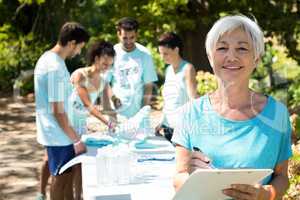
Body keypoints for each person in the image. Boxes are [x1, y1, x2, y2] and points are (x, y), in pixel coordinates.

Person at [172, 15, 292, 200]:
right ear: (211, 58)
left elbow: (282, 176)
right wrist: (192, 178)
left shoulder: (277, 114)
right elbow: (178, 177)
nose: (231, 57)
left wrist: (266, 194)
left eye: (242, 48)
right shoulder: (190, 113)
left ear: (257, 58)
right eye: (222, 48)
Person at [34, 22, 89, 200]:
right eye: (80, 47)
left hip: (60, 132)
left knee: (67, 178)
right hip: (58, 134)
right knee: (61, 178)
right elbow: (57, 110)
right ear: (72, 43)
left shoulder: (52, 60)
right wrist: (76, 139)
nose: (79, 52)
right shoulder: (54, 67)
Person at [68, 41, 117, 200]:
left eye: (110, 65)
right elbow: (88, 105)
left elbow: (107, 107)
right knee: (53, 163)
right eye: (104, 63)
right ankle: (42, 192)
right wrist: (107, 122)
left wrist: (115, 120)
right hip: (65, 124)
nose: (106, 67)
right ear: (95, 58)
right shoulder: (79, 75)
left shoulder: (102, 82)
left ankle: (79, 197)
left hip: (81, 126)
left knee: (79, 164)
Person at [103, 17, 158, 119]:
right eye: (125, 38)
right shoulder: (111, 53)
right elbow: (105, 82)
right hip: (115, 113)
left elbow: (148, 85)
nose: (128, 41)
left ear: (136, 34)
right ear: (118, 34)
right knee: (114, 135)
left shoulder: (145, 54)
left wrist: (143, 111)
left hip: (137, 112)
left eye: (132, 37)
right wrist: (114, 98)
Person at [155, 32, 198, 142]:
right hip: (167, 128)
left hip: (182, 130)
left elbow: (193, 99)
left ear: (176, 50)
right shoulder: (168, 70)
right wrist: (161, 121)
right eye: (160, 53)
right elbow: (168, 101)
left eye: (166, 54)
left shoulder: (188, 69)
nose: (162, 57)